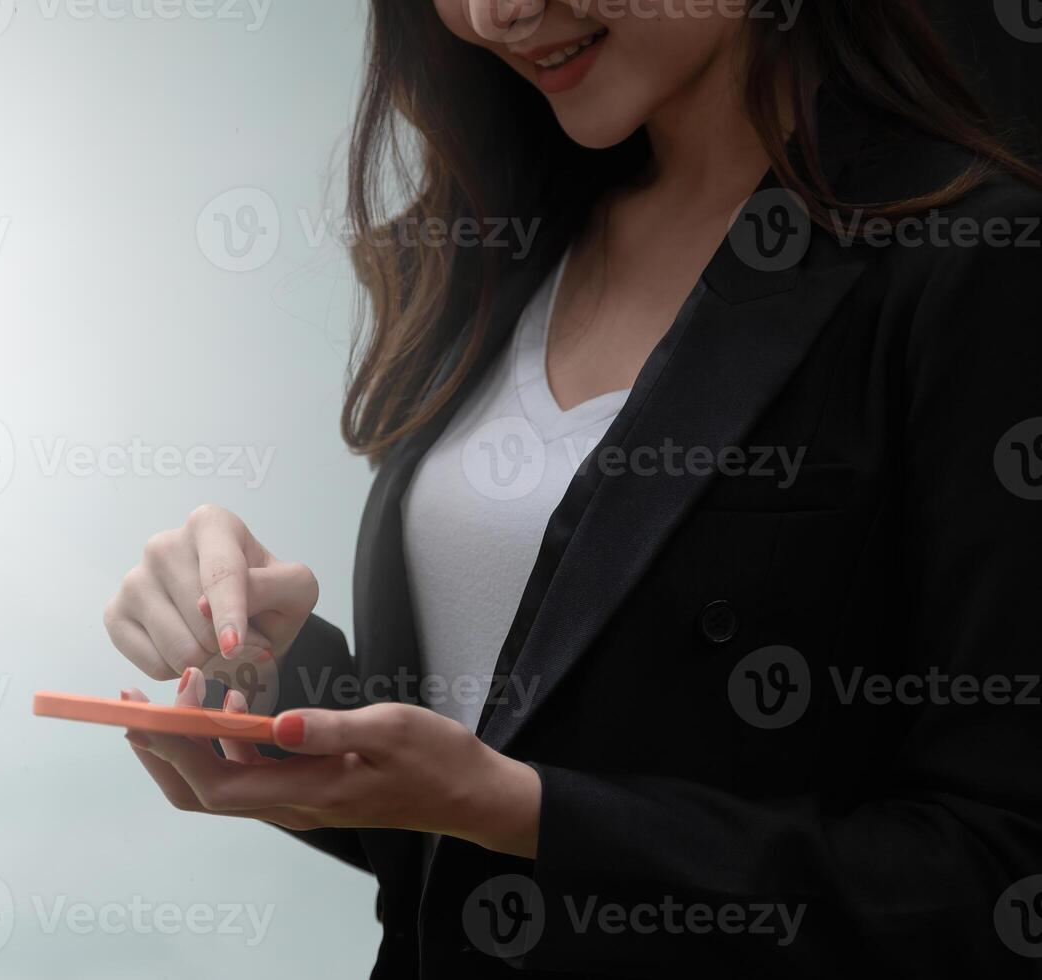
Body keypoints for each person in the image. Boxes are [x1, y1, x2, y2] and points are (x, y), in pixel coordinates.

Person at [103, 1, 1042, 974]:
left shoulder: (973, 266)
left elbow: (1000, 872)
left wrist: (527, 812)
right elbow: (480, 770)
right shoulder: (505, 240)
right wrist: (281, 677)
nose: (494, 13)